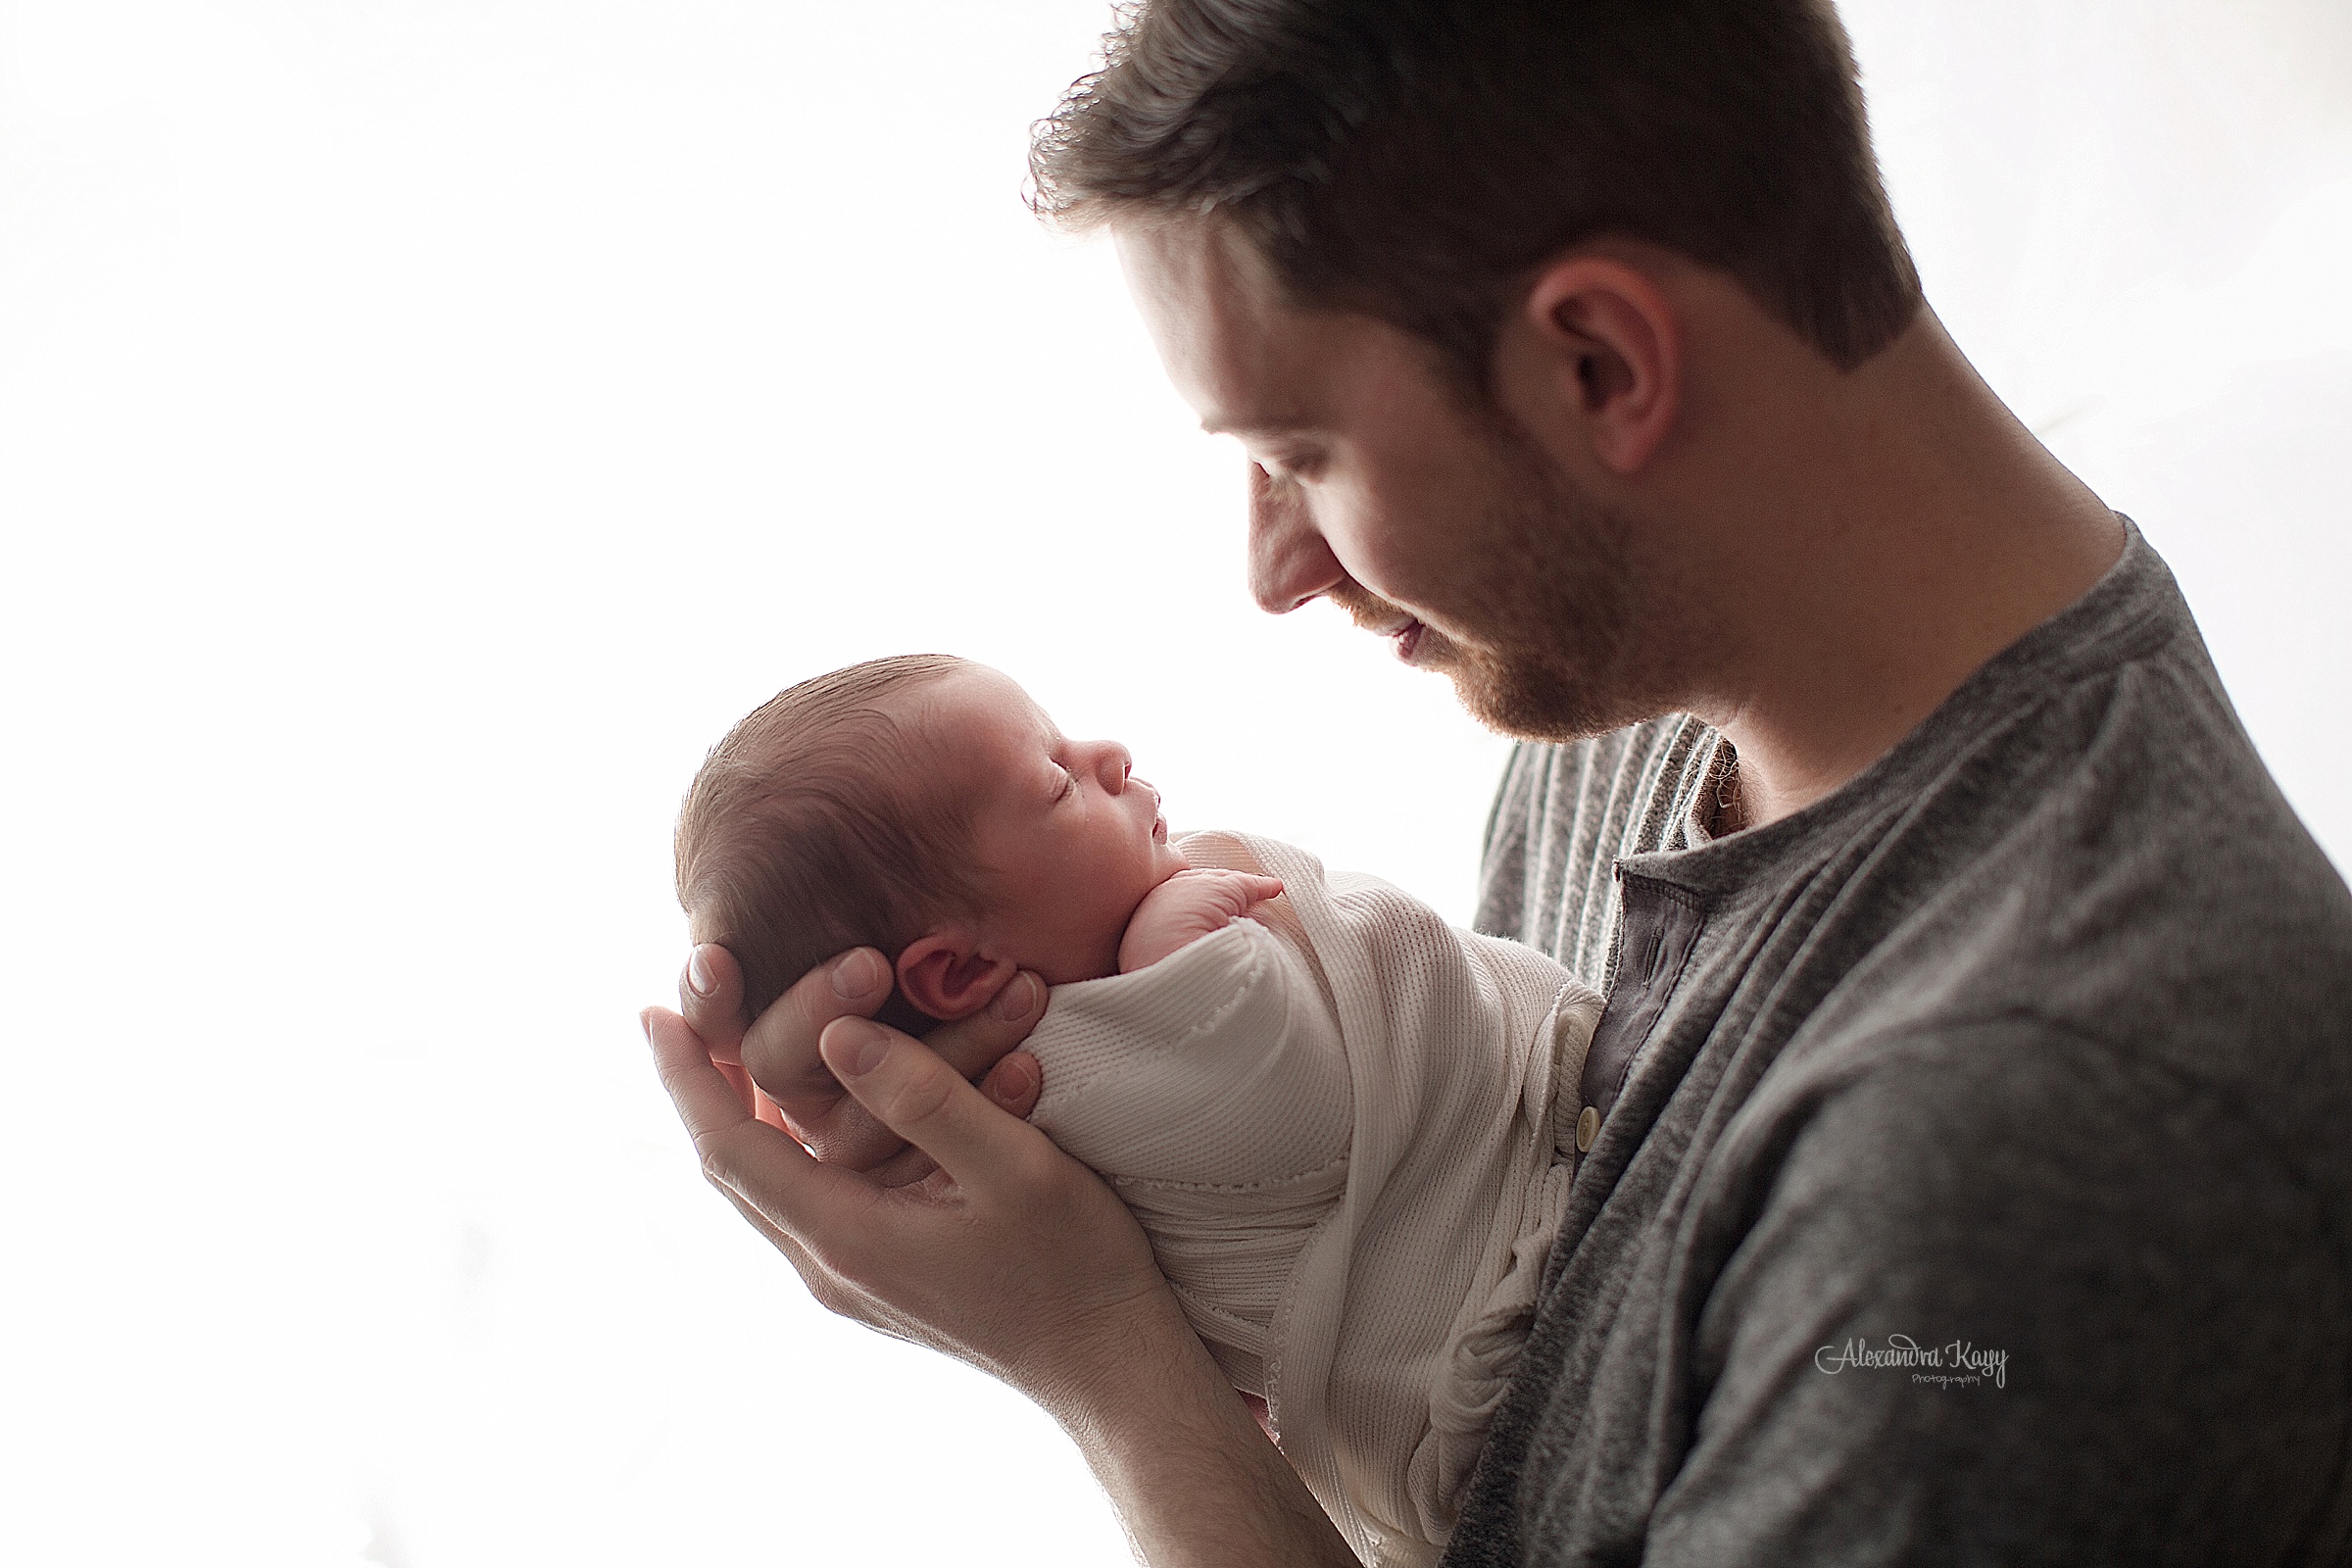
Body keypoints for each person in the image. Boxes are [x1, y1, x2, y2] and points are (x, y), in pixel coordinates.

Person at [643, 1, 2352, 1562]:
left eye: (1294, 452)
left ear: (1600, 362)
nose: (1272, 570)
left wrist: (1101, 1359)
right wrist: (1071, 1177)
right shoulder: (1636, 719)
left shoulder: (2019, 1156)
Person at [673, 652, 1607, 1564]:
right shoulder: (1098, 1064)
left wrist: (1103, 1358)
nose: (1108, 755)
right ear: (957, 972)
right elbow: (1287, 1079)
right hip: (1510, 1347)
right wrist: (1191, 953)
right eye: (1054, 784)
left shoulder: (1004, 1139)